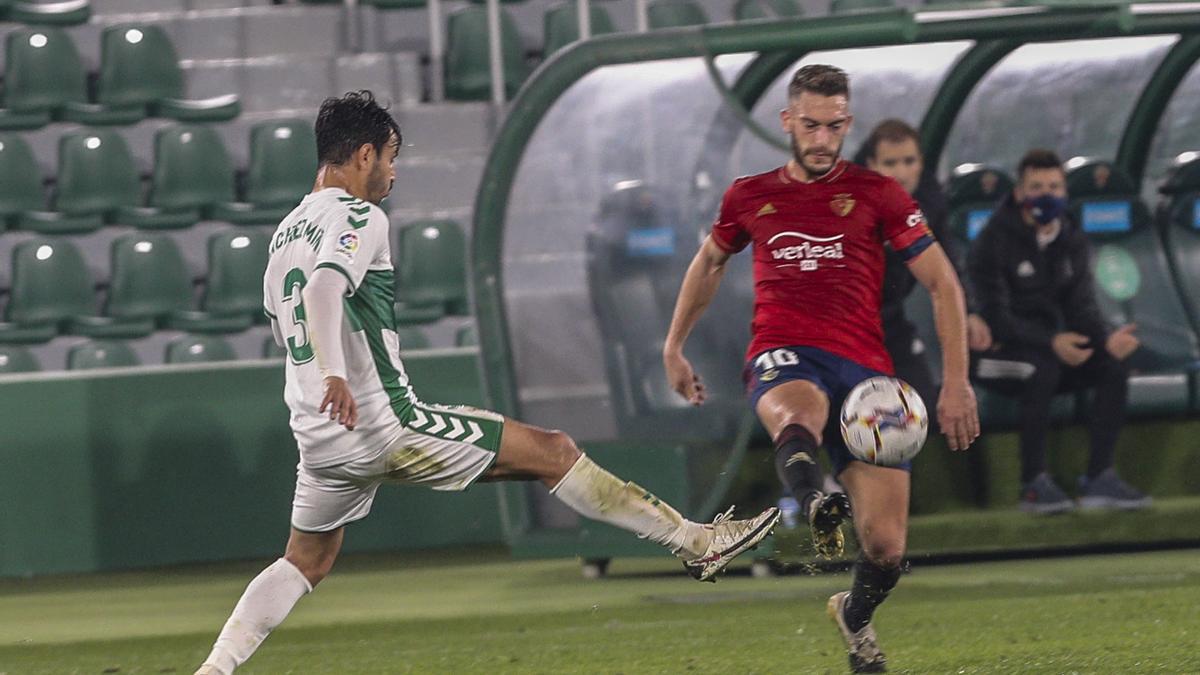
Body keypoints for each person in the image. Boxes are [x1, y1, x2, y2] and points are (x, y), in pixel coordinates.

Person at [194, 91, 779, 675]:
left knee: (304, 561)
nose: (393, 174)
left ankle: (215, 670)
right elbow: (325, 290)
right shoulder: (358, 216)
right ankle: (697, 543)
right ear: (365, 155)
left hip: (318, 442)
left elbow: (287, 320)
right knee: (553, 451)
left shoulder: (284, 235)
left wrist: (325, 376)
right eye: (392, 158)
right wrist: (336, 375)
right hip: (381, 422)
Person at [662, 65, 979, 674]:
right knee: (796, 411)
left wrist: (957, 380)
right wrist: (674, 346)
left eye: (834, 127)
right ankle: (814, 500)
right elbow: (708, 264)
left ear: (847, 123)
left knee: (886, 548)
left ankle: (854, 616)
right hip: (784, 350)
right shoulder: (748, 195)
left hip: (865, 376)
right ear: (788, 121)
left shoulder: (880, 194)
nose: (821, 139)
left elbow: (942, 284)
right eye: (810, 125)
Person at [968, 149, 1150, 515]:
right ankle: (1032, 484)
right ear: (1020, 193)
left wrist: (1105, 341)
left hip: (1046, 348)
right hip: (992, 359)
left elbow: (1082, 308)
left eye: (1053, 186)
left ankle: (1100, 477)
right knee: (1043, 367)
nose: (1045, 195)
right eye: (1036, 187)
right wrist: (1052, 342)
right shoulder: (992, 241)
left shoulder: (1071, 238)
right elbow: (997, 319)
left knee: (1111, 368)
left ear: (1065, 194)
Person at [861, 119, 993, 411]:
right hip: (848, 328)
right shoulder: (847, 204)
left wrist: (968, 312)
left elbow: (947, 262)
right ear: (871, 165)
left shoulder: (929, 204)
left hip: (891, 321)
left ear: (921, 162)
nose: (901, 172)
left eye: (909, 161)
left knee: (920, 407)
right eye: (890, 163)